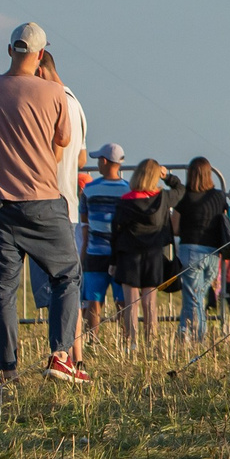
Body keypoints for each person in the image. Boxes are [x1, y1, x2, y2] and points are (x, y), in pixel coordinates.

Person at [0, 21, 85, 385]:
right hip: (41, 200)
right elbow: (63, 143)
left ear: (8, 50)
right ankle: (61, 355)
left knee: (3, 288)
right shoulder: (54, 93)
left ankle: (8, 372)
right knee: (66, 274)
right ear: (40, 54)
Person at [34, 48, 92, 359]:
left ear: (40, 70)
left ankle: (62, 355)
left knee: (57, 290)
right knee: (69, 288)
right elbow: (82, 157)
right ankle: (75, 356)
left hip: (45, 203)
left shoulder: (49, 102)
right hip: (68, 202)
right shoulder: (75, 102)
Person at [111, 159, 179, 346]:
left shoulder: (125, 201)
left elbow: (115, 231)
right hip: (153, 256)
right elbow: (181, 191)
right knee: (150, 304)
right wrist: (168, 177)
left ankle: (131, 343)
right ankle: (151, 341)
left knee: (130, 304)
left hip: (128, 256)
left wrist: (113, 260)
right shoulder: (163, 198)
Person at [79, 144, 132, 350]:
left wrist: (83, 253)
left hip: (95, 251)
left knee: (94, 300)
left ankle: (93, 341)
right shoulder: (128, 189)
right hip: (120, 253)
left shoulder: (89, 189)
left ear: (104, 161)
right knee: (122, 300)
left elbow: (85, 223)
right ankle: (125, 339)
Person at [174, 159, 230, 340]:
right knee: (196, 297)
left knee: (193, 298)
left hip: (191, 251)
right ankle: (184, 335)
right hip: (213, 253)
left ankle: (197, 337)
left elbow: (175, 227)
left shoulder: (184, 197)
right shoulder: (219, 197)